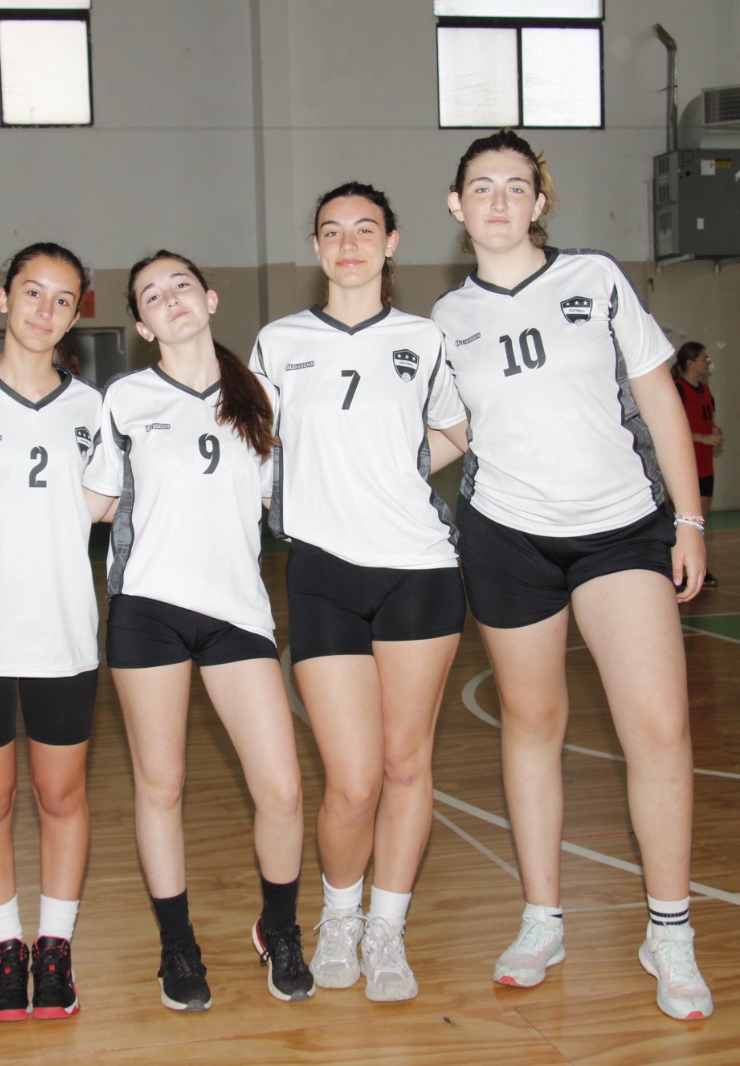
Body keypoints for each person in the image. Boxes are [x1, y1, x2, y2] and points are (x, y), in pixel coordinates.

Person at [432, 130, 714, 1021]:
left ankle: (670, 930)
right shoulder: (445, 320)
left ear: (540, 202)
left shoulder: (596, 280)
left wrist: (690, 518)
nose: (500, 201)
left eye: (517, 186)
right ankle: (542, 918)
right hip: (507, 536)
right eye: (483, 187)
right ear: (457, 206)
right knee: (531, 723)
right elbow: (452, 434)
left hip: (619, 531)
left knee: (658, 727)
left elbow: (658, 395)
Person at [250, 182, 467, 1002]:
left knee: (407, 766)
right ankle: (338, 916)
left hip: (418, 569)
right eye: (332, 232)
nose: (348, 245)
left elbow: (455, 429)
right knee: (352, 779)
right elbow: (252, 443)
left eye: (364, 230)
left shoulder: (425, 340)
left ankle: (386, 928)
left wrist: (397, 473)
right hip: (322, 574)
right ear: (315, 247)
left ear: (392, 242)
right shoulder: (279, 342)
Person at [82, 251, 314, 1012]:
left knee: (282, 789)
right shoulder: (124, 400)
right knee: (161, 784)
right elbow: (93, 503)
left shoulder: (263, 397)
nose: (170, 298)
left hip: (238, 613)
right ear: (143, 326)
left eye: (181, 284)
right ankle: (176, 944)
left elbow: (291, 499)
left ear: (210, 299)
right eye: (151, 295)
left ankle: (279, 928)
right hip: (147, 610)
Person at [0, 243, 101, 1022]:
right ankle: (5, 947)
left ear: (76, 315)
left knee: (61, 794)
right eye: (32, 292)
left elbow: (111, 507)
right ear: (2, 299)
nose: (45, 310)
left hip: (64, 633)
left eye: (63, 299)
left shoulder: (93, 410)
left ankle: (55, 945)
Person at [673, 342, 722, 588]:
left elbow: (705, 420)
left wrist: (714, 431)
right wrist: (702, 437)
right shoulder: (677, 389)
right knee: (683, 520)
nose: (708, 362)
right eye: (704, 358)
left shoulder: (706, 391)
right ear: (690, 362)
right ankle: (678, 569)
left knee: (699, 521)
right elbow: (672, 429)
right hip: (685, 466)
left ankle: (698, 567)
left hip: (705, 465)